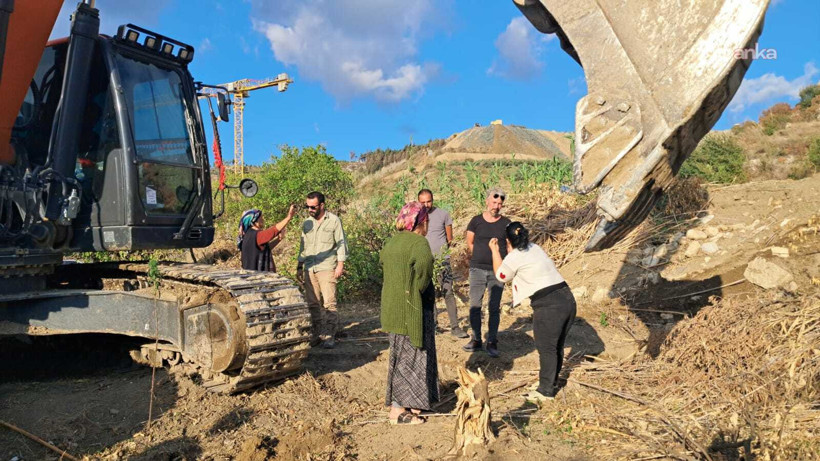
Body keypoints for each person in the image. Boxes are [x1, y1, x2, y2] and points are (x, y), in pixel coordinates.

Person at [489, 222, 576, 402]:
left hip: (549, 305)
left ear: (508, 241)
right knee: (555, 346)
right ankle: (550, 383)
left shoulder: (514, 257)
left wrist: (495, 251)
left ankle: (545, 391)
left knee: (547, 348)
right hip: (567, 299)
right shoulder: (535, 247)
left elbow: (501, 276)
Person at [380, 201, 439, 425]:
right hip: (411, 309)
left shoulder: (391, 243)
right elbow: (423, 274)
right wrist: (415, 290)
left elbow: (383, 262)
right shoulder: (419, 243)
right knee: (412, 357)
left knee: (400, 356)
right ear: (421, 222)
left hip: (392, 309)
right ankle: (397, 412)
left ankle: (412, 405)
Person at [463, 187, 511, 358]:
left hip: (497, 271)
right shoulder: (476, 221)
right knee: (475, 305)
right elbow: (470, 242)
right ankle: (476, 339)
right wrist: (480, 255)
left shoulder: (506, 223)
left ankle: (492, 341)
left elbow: (510, 246)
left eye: (500, 203)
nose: (496, 206)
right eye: (494, 202)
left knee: (494, 307)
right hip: (477, 269)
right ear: (487, 201)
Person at [297, 191, 348, 349]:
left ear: (322, 205)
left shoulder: (333, 221)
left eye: (313, 206)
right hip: (310, 267)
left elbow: (341, 243)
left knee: (329, 303)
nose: (310, 209)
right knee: (312, 304)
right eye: (308, 206)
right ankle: (316, 334)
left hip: (327, 267)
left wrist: (340, 264)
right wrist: (299, 265)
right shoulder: (307, 223)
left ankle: (330, 335)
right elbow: (303, 246)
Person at [418, 189, 468, 339]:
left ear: (433, 199)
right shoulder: (417, 216)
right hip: (425, 260)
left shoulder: (443, 214)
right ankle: (432, 326)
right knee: (428, 294)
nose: (426, 205)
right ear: (418, 202)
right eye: (423, 202)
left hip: (442, 260)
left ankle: (455, 327)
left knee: (448, 292)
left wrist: (441, 253)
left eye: (429, 201)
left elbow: (449, 237)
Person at [237, 205, 297, 271]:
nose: (263, 220)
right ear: (254, 221)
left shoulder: (249, 234)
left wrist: (278, 239)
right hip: (256, 275)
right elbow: (273, 231)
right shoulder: (256, 235)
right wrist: (288, 217)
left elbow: (264, 249)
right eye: (260, 218)